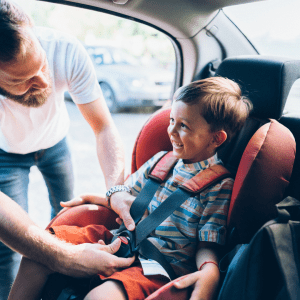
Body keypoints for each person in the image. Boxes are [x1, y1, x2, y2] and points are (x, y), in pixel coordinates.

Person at [8, 77, 252, 300]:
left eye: (184, 126)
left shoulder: (218, 185)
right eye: (171, 121)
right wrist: (99, 198)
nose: (171, 132)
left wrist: (209, 271)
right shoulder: (161, 160)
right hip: (120, 239)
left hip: (158, 267)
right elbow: (126, 197)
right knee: (38, 254)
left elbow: (206, 243)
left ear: (216, 139)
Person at [0, 0, 132, 298]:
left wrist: (116, 191)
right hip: (5, 154)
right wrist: (65, 258)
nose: (44, 81)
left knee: (61, 219)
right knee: (8, 246)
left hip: (56, 144)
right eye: (24, 80)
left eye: (42, 65)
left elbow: (104, 128)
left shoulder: (65, 49)